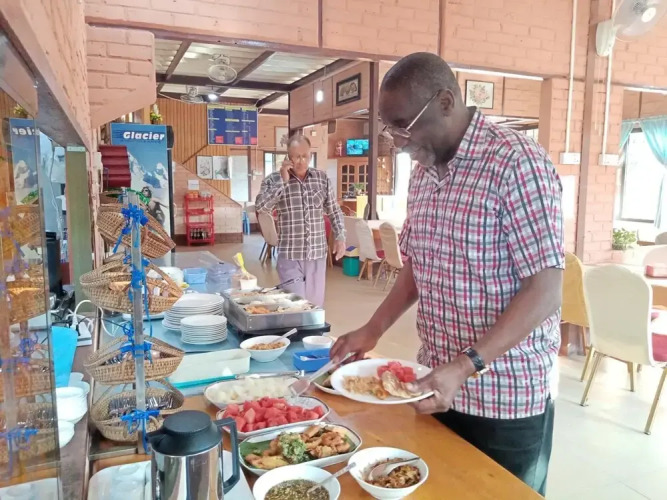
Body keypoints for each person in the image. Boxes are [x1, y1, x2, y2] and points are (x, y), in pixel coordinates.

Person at [330, 52, 564, 495]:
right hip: (433, 386)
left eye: (403, 126)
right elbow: (419, 265)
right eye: (389, 128)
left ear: (444, 102)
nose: (397, 142)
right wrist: (373, 329)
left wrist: (464, 366)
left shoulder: (516, 163)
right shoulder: (423, 173)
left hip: (504, 399)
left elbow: (546, 288)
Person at [256, 134, 345, 306]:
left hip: (317, 255)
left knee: (314, 307)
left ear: (310, 155)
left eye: (305, 156)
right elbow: (261, 208)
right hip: (290, 255)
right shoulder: (273, 180)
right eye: (296, 157)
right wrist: (283, 182)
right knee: (295, 306)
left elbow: (334, 211)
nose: (301, 161)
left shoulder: (322, 179)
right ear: (288, 157)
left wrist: (340, 236)